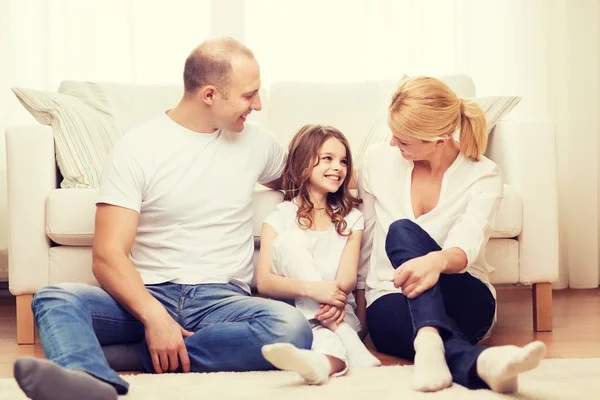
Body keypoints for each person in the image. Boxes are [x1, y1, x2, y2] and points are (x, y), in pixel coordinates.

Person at [13, 37, 313, 400]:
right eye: (249, 96)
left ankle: (125, 359)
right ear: (209, 95)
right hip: (148, 294)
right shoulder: (137, 148)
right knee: (54, 299)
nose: (258, 105)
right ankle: (92, 385)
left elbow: (306, 182)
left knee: (290, 327)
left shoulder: (257, 143)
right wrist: (154, 317)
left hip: (222, 302)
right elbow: (108, 256)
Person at [358, 76, 546, 393]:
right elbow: (366, 238)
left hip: (465, 297)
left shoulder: (483, 174)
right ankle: (482, 364)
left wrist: (435, 262)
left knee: (402, 230)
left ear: (440, 140)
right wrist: (358, 311)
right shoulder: (377, 161)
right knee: (397, 236)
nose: (393, 144)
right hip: (392, 299)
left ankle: (430, 340)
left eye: (403, 140)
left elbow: (467, 244)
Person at [256, 124, 381, 385]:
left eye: (343, 161)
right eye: (328, 159)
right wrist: (314, 291)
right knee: (290, 240)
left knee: (325, 336)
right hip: (298, 317)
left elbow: (347, 279)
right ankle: (336, 347)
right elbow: (265, 283)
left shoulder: (352, 218)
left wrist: (330, 301)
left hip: (337, 311)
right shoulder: (280, 218)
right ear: (303, 163)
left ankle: (323, 359)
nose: (338, 167)